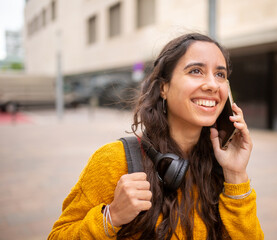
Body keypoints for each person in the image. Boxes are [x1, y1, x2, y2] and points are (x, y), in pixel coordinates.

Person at [48, 32, 264, 240]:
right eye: (196, 71)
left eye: (220, 74)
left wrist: (236, 175)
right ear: (163, 88)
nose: (212, 84)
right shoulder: (113, 160)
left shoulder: (222, 168)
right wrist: (111, 217)